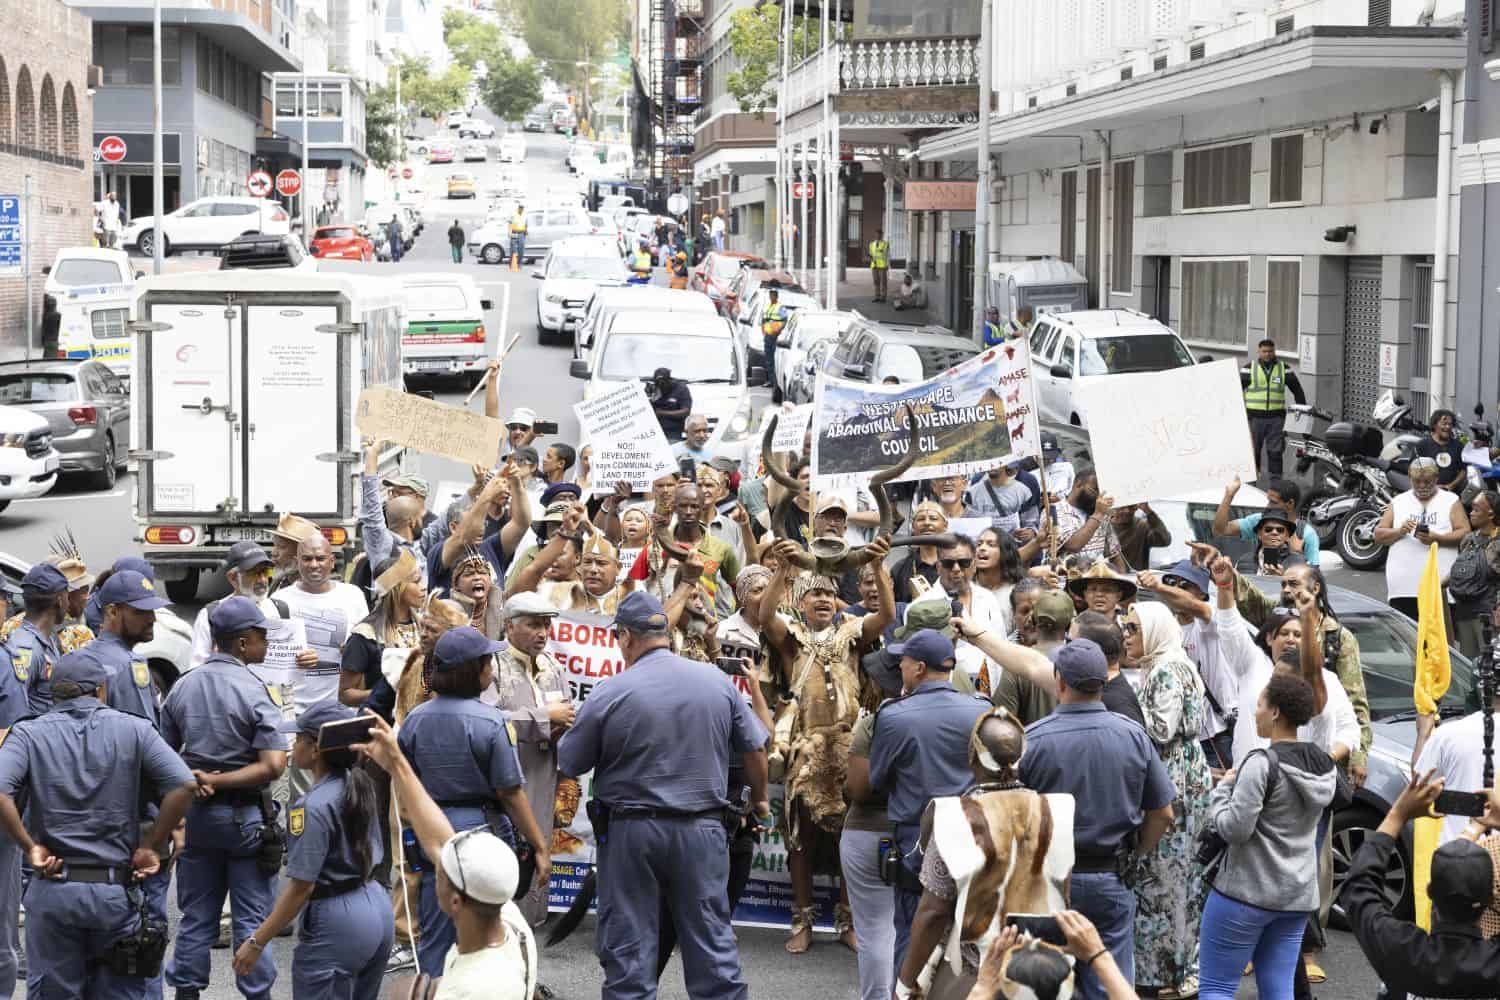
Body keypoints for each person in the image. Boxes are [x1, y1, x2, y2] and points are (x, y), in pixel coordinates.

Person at [558, 590, 769, 999]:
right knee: (712, 946)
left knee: (630, 949)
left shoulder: (611, 690)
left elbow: (570, 761)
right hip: (702, 830)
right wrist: (759, 801)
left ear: (625, 637)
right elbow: (756, 749)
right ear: (665, 634)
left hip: (633, 833)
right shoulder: (716, 681)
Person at [0, 649, 197, 1000]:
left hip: (54, 889)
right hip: (114, 892)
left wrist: (29, 847)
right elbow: (183, 785)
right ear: (101, 690)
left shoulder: (28, 734)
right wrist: (151, 844)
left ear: (54, 693)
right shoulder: (135, 729)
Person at [1020, 636, 1178, 1000]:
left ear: (1059, 681)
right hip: (1111, 877)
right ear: (1104, 681)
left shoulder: (1033, 740)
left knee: (1046, 987)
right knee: (1110, 981)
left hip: (1049, 881)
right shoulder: (1132, 735)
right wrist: (1136, 853)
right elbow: (1163, 813)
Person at [758, 545, 894, 953]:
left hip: (849, 747)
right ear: (801, 601)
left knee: (846, 839)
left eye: (829, 594)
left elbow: (886, 617)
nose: (823, 600)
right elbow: (765, 616)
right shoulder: (792, 639)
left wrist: (878, 567)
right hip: (804, 748)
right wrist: (783, 570)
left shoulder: (852, 634)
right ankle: (802, 920)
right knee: (800, 840)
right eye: (815, 593)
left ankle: (847, 920)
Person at [397, 626, 551, 978]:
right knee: (488, 931)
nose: (492, 670)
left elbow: (405, 782)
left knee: (436, 933)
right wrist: (540, 846)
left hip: (430, 830)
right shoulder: (492, 722)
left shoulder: (415, 719)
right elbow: (510, 793)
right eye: (487, 663)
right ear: (474, 670)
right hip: (483, 832)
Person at [352, 712, 538, 999]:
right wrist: (397, 764)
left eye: (442, 872)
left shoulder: (468, 990)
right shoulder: (508, 917)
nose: (438, 862)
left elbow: (441, 847)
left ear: (454, 901)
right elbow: (441, 841)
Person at [161, 597, 290, 1000]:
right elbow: (274, 765)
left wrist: (196, 780)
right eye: (261, 637)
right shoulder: (255, 690)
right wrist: (222, 780)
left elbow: (163, 758)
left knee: (196, 917)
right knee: (252, 920)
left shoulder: (183, 685)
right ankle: (257, 994)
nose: (267, 644)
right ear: (242, 642)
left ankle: (186, 993)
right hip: (245, 821)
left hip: (198, 820)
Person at [232, 701, 393, 997]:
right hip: (377, 903)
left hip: (338, 917)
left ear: (316, 748)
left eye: (298, 739)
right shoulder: (359, 784)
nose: (293, 746)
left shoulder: (311, 806)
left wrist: (257, 942)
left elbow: (301, 887)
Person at [1198, 672, 1337, 1000]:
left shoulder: (1261, 763)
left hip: (1245, 894)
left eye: (1259, 704)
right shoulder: (1323, 766)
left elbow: (1235, 829)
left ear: (1275, 712)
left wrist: (1223, 791)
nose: (1255, 711)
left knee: (1217, 987)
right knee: (1278, 989)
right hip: (1296, 897)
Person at [860, 628, 990, 968]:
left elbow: (878, 779)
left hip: (915, 841)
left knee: (912, 937)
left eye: (902, 662)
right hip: (972, 837)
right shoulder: (980, 709)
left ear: (918, 668)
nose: (899, 668)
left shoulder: (894, 715)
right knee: (968, 941)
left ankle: (905, 990)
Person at [1123, 602, 1213, 998]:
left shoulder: (1165, 669)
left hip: (1173, 774)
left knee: (1162, 875)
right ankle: (1180, 965)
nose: (1126, 635)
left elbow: (1161, 728)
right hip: (1186, 770)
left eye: (1133, 628)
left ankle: (1163, 972)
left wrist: (1126, 711)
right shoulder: (1174, 663)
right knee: (1181, 876)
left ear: (1154, 630)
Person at [1344, 771, 1500, 996]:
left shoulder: (1400, 950)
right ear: (1490, 898)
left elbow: (1359, 885)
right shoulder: (1493, 964)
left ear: (1429, 891)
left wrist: (1398, 814)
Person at [484, 592, 575, 926]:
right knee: (506, 852)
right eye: (534, 625)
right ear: (509, 626)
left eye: (546, 626)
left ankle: (529, 930)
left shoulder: (552, 666)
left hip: (544, 774)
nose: (543, 633)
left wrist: (562, 726)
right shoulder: (492, 665)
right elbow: (486, 721)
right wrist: (542, 716)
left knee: (538, 849)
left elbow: (564, 713)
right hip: (505, 778)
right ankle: (497, 929)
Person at [278, 532, 370, 799]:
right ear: (297, 561)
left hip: (342, 711)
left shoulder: (352, 596)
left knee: (345, 788)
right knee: (304, 793)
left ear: (332, 561)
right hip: (298, 711)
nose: (314, 565)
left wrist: (352, 649)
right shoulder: (281, 600)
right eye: (307, 559)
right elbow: (268, 655)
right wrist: (292, 657)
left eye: (320, 558)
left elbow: (368, 647)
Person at [1374, 455, 1469, 619]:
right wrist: (1399, 531)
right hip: (1404, 586)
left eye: (1428, 482)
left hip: (1439, 584)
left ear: (1436, 478)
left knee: (1440, 631)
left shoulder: (1450, 500)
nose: (1422, 486)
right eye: (1417, 481)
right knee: (1408, 631)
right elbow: (1378, 535)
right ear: (1410, 478)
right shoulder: (1399, 501)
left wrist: (1438, 539)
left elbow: (1465, 532)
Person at [340, 549, 424, 709]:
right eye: (416, 581)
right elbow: (345, 694)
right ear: (397, 588)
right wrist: (389, 692)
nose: (423, 587)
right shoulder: (366, 634)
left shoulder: (425, 626)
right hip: (381, 718)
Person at [1213, 476, 1321, 566]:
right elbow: (1221, 529)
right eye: (1267, 529)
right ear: (1259, 533)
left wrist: (1295, 558)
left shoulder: (1307, 534)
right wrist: (1229, 495)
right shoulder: (1258, 520)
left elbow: (1314, 574)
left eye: (1280, 530)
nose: (1274, 534)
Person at [1241, 338, 1306, 479]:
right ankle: (1251, 482)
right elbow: (1236, 390)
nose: (1267, 354)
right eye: (1264, 351)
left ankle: (1276, 484)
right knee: (1253, 452)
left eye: (1270, 351)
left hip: (1276, 419)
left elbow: (1297, 390)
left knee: (1275, 452)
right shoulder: (1249, 368)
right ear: (1259, 352)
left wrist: (1301, 412)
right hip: (1254, 419)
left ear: (1274, 351)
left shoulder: (1284, 369)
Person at [1450, 490, 1500, 660]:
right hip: (1464, 612)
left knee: (1491, 663)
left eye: (1476, 510)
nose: (1471, 513)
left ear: (1491, 514)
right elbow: (1459, 570)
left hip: (1489, 614)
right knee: (1468, 664)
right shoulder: (1468, 539)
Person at [1416, 408, 1468, 494]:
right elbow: (1414, 471)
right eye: (1444, 424)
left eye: (1450, 424)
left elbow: (1463, 470)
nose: (1448, 427)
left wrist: (1451, 486)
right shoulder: (1423, 445)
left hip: (1451, 494)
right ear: (1434, 425)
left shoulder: (1458, 446)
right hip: (1427, 494)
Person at [649, 366, 693, 442]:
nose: (661, 387)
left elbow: (686, 411)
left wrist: (662, 413)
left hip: (672, 431)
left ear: (669, 380)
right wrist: (650, 398)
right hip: (653, 431)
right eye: (658, 384)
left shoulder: (681, 389)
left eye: (663, 384)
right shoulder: (654, 389)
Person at [761, 288, 789, 390]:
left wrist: (778, 331)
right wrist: (763, 330)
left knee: (774, 359)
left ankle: (774, 381)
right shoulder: (767, 306)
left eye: (773, 295)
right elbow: (764, 319)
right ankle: (770, 380)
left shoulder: (780, 307)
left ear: (776, 296)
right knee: (768, 359)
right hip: (768, 336)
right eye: (770, 294)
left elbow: (784, 320)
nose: (771, 296)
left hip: (775, 337)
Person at [868, 229, 889, 302]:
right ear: (875, 235)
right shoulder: (871, 244)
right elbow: (871, 254)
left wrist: (887, 265)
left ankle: (883, 297)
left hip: (882, 266)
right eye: (876, 234)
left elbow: (887, 255)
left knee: (883, 282)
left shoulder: (885, 244)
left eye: (879, 234)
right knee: (876, 281)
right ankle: (877, 296)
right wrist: (870, 257)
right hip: (874, 265)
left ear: (882, 235)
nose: (878, 236)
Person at [40, 293, 60, 358]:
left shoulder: (45, 316)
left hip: (48, 342)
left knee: (47, 360)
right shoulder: (57, 315)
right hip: (53, 342)